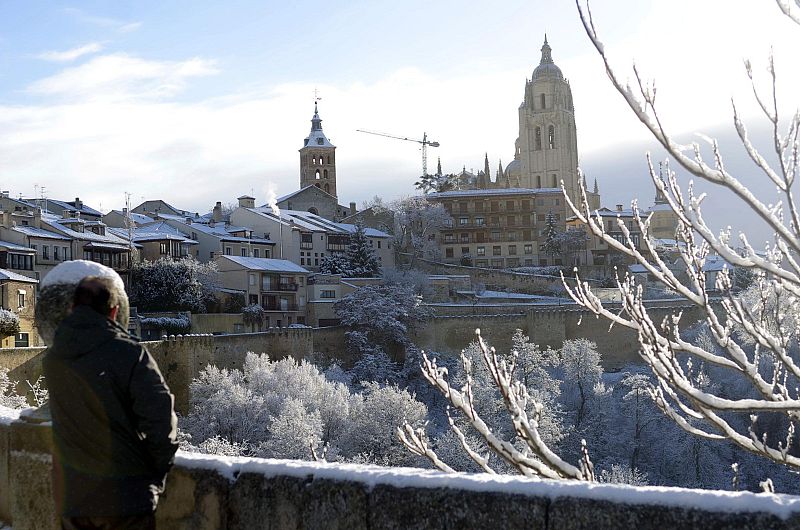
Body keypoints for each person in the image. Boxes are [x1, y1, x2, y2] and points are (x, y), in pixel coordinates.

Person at [43, 276, 179, 530]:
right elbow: (161, 421)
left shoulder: (54, 358)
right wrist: (154, 475)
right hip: (126, 496)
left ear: (73, 308)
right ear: (115, 311)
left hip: (73, 498)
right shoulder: (129, 354)